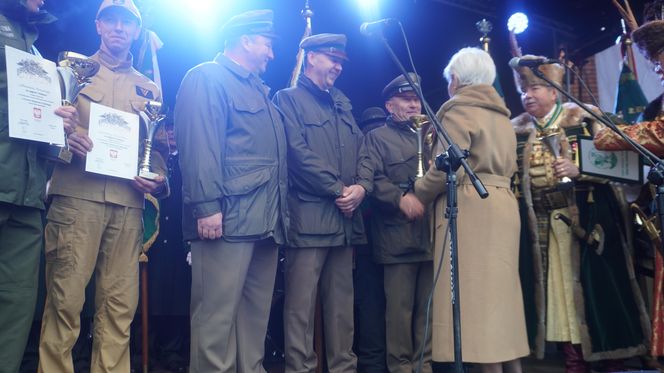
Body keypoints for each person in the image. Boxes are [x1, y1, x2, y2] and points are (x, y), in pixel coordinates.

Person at [37, 1, 168, 372]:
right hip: (77, 200)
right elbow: (40, 134)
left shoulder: (149, 88)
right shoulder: (70, 70)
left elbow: (157, 152)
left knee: (118, 310)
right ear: (98, 25)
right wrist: (67, 139)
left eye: (127, 23)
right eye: (111, 20)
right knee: (64, 305)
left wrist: (158, 180)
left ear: (137, 31)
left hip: (127, 206)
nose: (118, 28)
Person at [511, 54, 648, 372]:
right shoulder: (516, 131)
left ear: (554, 92)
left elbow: (625, 165)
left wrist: (581, 168)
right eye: (523, 91)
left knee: (599, 296)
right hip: (543, 229)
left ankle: (610, 361)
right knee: (558, 299)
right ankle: (572, 362)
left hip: (588, 224)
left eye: (534, 89)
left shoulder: (586, 118)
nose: (527, 96)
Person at [174, 9, 288, 373]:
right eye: (267, 44)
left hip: (264, 224)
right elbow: (198, 147)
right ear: (246, 40)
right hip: (226, 221)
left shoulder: (258, 90)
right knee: (215, 326)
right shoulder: (207, 77)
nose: (271, 53)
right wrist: (206, 206)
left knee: (253, 325)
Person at [414, 47, 528, 373]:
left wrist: (419, 194)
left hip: (471, 209)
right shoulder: (503, 115)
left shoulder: (459, 110)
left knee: (477, 308)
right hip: (504, 205)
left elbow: (447, 166)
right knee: (502, 301)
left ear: (456, 79)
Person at [273, 33, 373, 373]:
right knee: (300, 310)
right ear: (311, 57)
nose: (338, 67)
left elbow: (363, 151)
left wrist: (362, 187)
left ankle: (344, 369)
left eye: (341, 62)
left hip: (345, 223)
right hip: (310, 220)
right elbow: (297, 155)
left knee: (342, 308)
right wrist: (339, 190)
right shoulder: (287, 99)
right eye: (333, 59)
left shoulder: (343, 104)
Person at [0, 1, 80, 372]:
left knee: (16, 305)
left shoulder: (34, 48)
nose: (44, 2)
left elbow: (39, 137)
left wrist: (58, 126)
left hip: (29, 195)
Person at [364, 73, 433, 373]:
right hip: (396, 238)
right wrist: (398, 198)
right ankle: (402, 369)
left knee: (428, 313)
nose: (413, 104)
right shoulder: (376, 138)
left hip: (430, 236)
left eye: (416, 99)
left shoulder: (431, 135)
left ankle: (425, 366)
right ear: (390, 105)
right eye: (406, 99)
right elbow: (370, 179)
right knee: (400, 315)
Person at [146, 119, 191, 372]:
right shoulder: (152, 156)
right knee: (149, 294)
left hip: (178, 237)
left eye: (175, 128)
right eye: (167, 128)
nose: (171, 133)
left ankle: (173, 351)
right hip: (152, 236)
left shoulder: (187, 159)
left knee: (176, 297)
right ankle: (145, 349)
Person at [594, 19, 664, 155]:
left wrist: (607, 135)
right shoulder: (655, 106)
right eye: (654, 63)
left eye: (657, 61)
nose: (656, 69)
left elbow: (660, 135)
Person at [353, 106, 388, 373]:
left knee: (371, 306)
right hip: (375, 239)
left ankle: (373, 364)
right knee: (377, 305)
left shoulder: (359, 149)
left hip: (369, 241)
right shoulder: (378, 145)